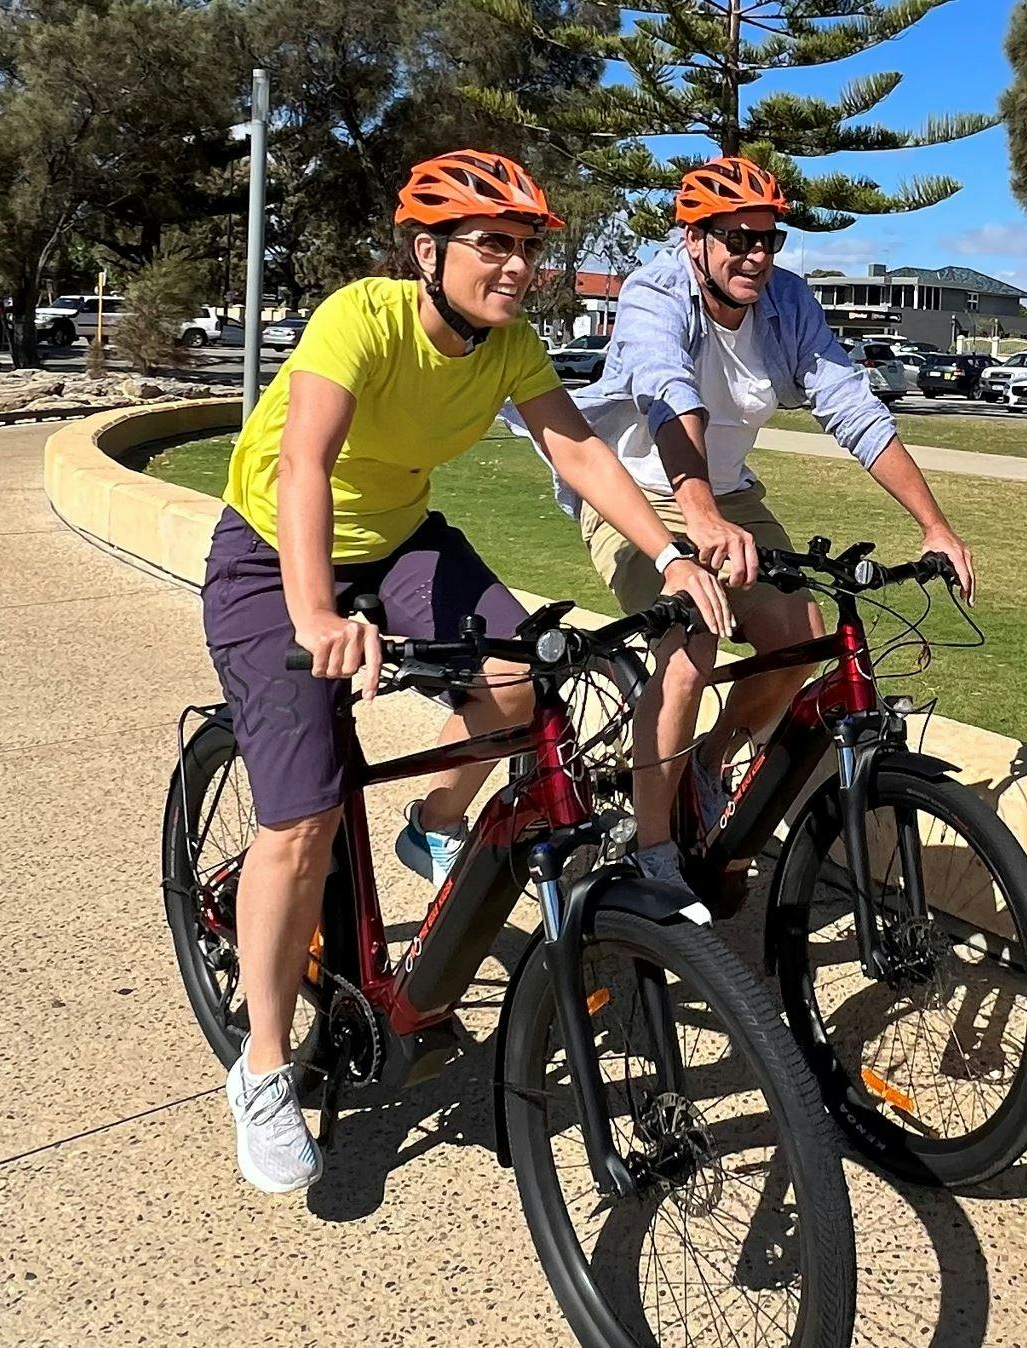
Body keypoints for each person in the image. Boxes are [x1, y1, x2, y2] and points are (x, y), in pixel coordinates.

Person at [199, 149, 730, 1195]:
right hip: (271, 554)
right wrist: (312, 608)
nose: (517, 265)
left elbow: (579, 452)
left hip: (401, 541)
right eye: (494, 243)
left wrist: (671, 555)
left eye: (529, 248)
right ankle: (261, 1068)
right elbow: (304, 459)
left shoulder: (511, 346)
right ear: (427, 250)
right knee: (299, 820)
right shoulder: (364, 316)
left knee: (519, 683)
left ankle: (435, 822)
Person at [541, 156, 976, 891]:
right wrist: (699, 519)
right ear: (694, 238)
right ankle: (654, 859)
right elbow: (667, 395)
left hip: (730, 494)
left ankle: (707, 769)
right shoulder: (655, 292)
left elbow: (852, 408)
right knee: (689, 645)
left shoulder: (788, 303)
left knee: (802, 640)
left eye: (770, 240)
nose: (757, 256)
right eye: (739, 238)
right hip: (636, 492)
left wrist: (935, 525)